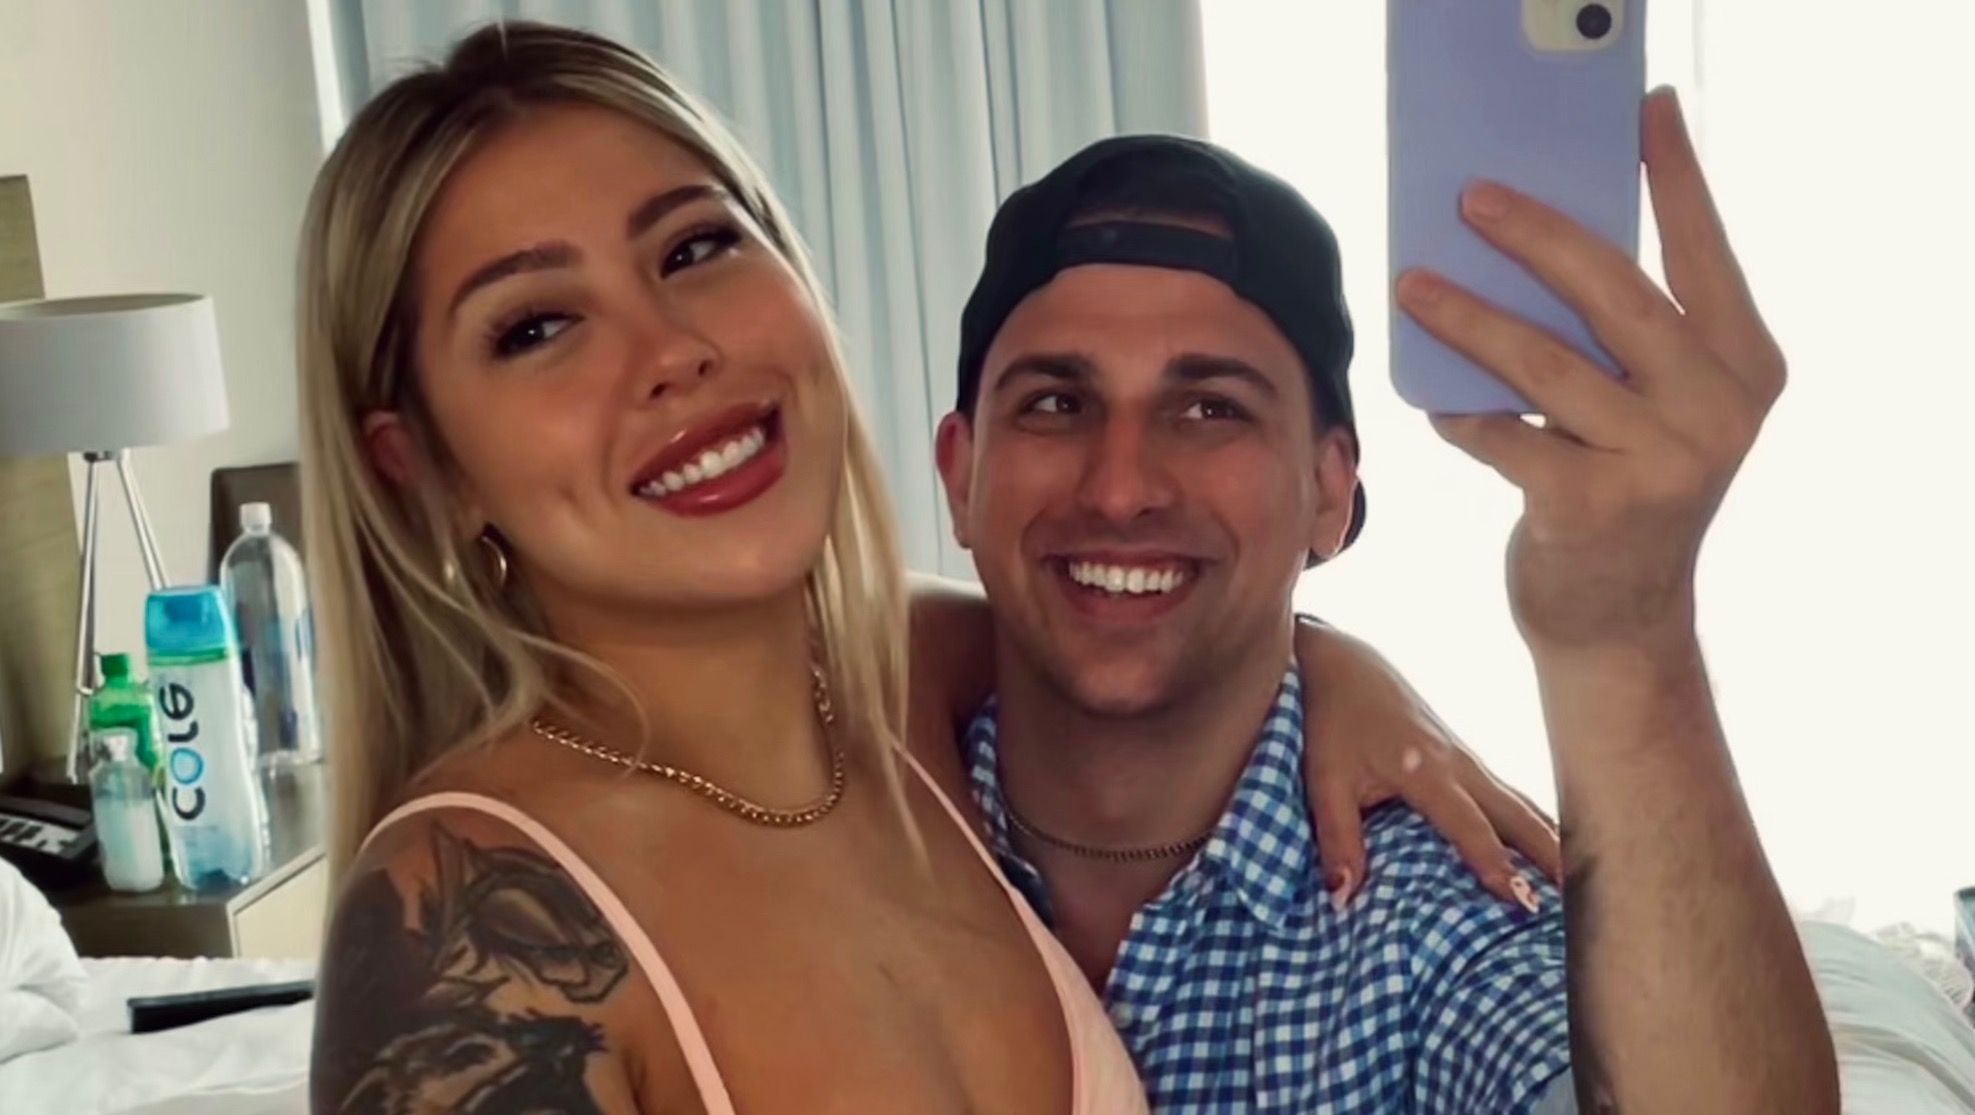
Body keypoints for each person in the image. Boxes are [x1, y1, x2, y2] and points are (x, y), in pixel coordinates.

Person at [299, 23, 1554, 1114]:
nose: (672, 349)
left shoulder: (901, 690)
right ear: (427, 469)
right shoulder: (468, 916)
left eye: (692, 249)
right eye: (536, 325)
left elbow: (1145, 621)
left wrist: (1337, 661)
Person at [934, 119, 1840, 1112]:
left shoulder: (1437, 912)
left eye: (1209, 409)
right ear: (960, 472)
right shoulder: (852, 819)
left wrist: (1626, 632)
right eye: (1055, 404)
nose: (1119, 489)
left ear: (1329, 493)